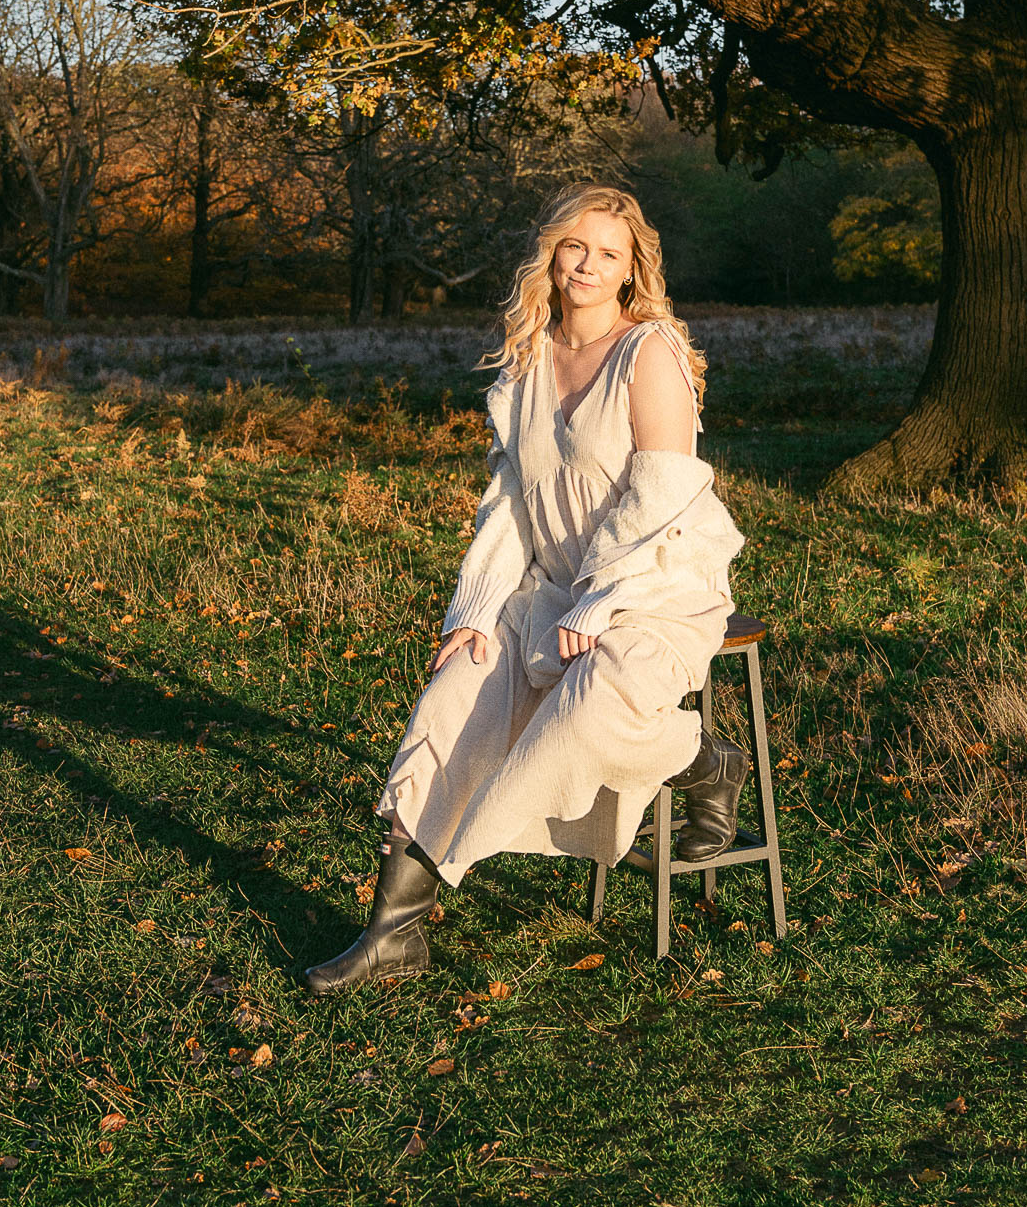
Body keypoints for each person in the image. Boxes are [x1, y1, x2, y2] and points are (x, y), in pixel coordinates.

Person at [304, 184, 749, 996]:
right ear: (551, 251)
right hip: (552, 589)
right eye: (575, 245)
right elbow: (511, 500)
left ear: (631, 268)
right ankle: (393, 936)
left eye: (608, 253)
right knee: (449, 700)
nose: (587, 265)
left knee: (593, 709)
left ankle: (704, 760)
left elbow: (664, 497)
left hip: (656, 583)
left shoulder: (647, 351)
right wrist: (473, 613)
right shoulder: (530, 358)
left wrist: (601, 601)